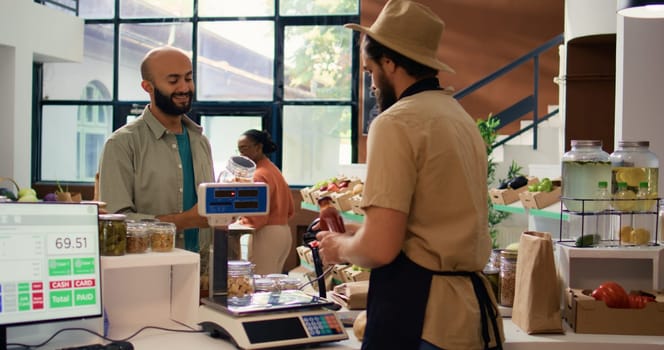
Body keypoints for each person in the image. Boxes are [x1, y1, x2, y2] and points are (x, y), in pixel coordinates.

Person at [315, 1, 504, 349]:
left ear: (390, 62)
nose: (371, 84)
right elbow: (432, 223)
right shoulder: (459, 118)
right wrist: (362, 229)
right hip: (469, 317)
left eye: (370, 70)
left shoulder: (395, 122)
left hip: (421, 318)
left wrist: (340, 246)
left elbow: (379, 249)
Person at [98, 46, 214, 254]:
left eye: (188, 79)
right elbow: (114, 223)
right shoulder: (122, 144)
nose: (184, 88)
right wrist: (184, 221)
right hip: (150, 272)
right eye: (173, 81)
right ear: (147, 87)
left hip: (202, 271)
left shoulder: (201, 141)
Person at [236, 129, 295, 275]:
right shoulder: (272, 169)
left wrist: (239, 221)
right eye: (239, 150)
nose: (241, 154)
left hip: (266, 234)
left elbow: (257, 218)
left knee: (260, 284)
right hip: (283, 232)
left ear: (258, 147)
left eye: (244, 149)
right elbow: (291, 208)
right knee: (272, 283)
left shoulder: (258, 175)